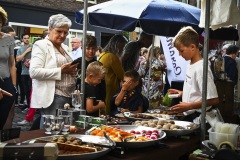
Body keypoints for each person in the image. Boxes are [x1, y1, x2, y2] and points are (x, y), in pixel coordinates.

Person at [30, 14, 78, 128]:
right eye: (59, 31)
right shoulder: (41, 45)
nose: (62, 35)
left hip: (68, 96)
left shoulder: (64, 47)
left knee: (63, 131)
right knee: (52, 131)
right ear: (49, 29)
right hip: (54, 96)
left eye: (65, 32)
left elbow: (64, 70)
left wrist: (71, 71)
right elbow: (34, 72)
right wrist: (61, 71)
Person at [168, 26, 219, 124]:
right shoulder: (191, 64)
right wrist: (182, 93)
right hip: (190, 116)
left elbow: (213, 99)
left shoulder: (201, 68)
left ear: (192, 47)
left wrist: (189, 106)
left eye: (181, 50)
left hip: (200, 118)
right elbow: (198, 92)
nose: (179, 54)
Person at [98, 34, 128, 115]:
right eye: (122, 47)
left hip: (103, 85)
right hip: (110, 88)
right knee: (108, 107)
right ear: (116, 46)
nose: (122, 49)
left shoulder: (103, 54)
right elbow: (122, 75)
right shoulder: (112, 57)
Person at [0, 6, 17, 130]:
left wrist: (14, 86)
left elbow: (12, 64)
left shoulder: (8, 39)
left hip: (6, 81)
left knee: (3, 117)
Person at [16, 33, 33, 113]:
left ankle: (31, 107)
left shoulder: (34, 47)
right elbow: (18, 59)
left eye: (28, 38)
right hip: (24, 72)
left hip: (33, 73)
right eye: (25, 38)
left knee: (31, 91)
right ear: (22, 39)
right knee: (26, 90)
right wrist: (26, 52)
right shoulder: (20, 49)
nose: (26, 39)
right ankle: (28, 106)